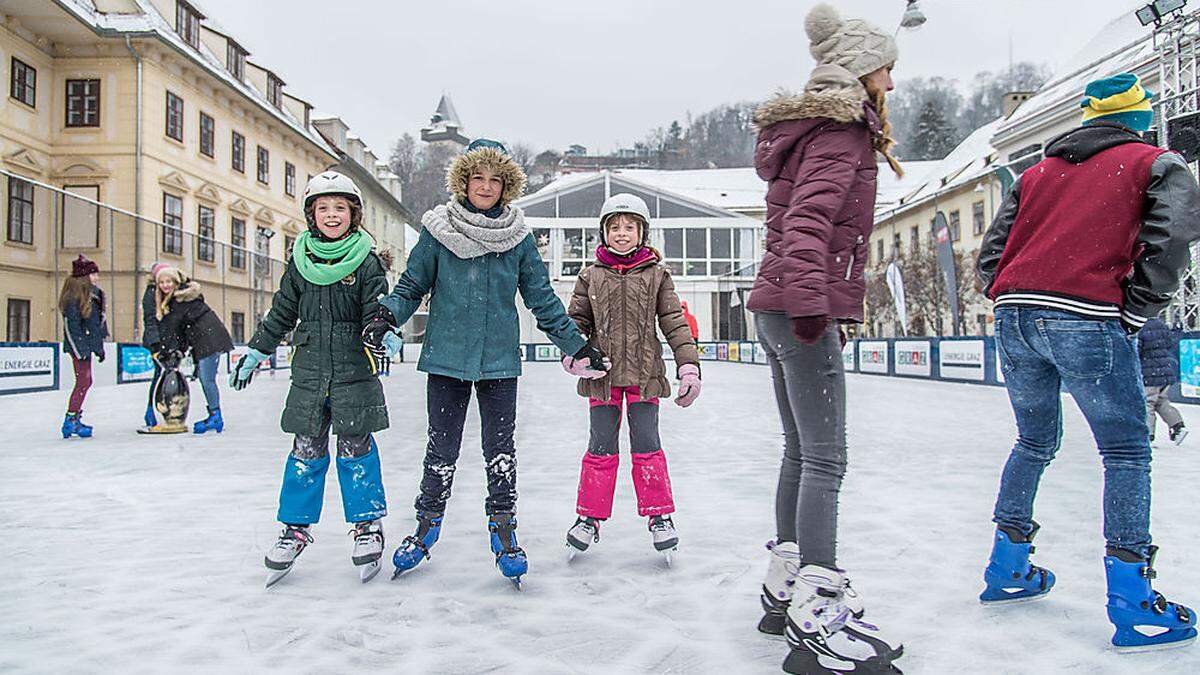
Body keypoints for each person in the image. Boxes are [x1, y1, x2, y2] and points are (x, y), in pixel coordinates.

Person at [976, 72, 1200, 651]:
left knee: (1033, 442)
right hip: (1085, 312)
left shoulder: (1035, 173)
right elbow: (1172, 238)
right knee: (1125, 451)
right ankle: (1132, 599)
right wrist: (1136, 310)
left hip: (1017, 314)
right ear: (1140, 117)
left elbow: (991, 254)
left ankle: (1008, 568)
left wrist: (1004, 293)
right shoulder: (1156, 163)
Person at [363, 139, 606, 586]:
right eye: (478, 177)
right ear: (464, 181)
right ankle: (426, 525)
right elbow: (411, 286)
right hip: (447, 359)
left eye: (496, 180)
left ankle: (504, 528)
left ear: (506, 186)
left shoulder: (518, 239)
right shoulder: (438, 232)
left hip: (498, 363)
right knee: (441, 450)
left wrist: (577, 345)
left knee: (501, 453)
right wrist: (385, 315)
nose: (486, 187)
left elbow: (542, 300)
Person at [745, 4, 905, 672]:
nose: (891, 86)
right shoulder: (841, 134)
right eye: (886, 70)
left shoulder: (811, 130)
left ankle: (786, 582)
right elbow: (809, 222)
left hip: (777, 302)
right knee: (826, 457)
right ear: (862, 70)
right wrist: (814, 304)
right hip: (799, 305)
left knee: (801, 450)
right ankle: (817, 609)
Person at [229, 171, 392, 584]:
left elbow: (376, 307)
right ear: (311, 215)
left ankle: (367, 525)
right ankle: (294, 529)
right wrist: (257, 348)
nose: (331, 215)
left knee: (356, 446)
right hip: (309, 370)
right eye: (323, 208)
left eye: (339, 207)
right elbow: (283, 311)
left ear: (353, 214)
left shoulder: (367, 261)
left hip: (354, 368)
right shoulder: (300, 261)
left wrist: (383, 330)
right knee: (305, 450)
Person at [563, 194, 701, 561]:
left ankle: (660, 517)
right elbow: (575, 322)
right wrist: (572, 354)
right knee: (601, 447)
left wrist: (688, 364)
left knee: (647, 446)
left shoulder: (657, 275)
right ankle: (589, 518)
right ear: (604, 233)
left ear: (642, 232)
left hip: (644, 376)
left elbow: (674, 322)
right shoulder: (589, 275)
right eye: (614, 227)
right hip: (602, 376)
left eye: (629, 227)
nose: (622, 234)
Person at [153, 266, 233, 434]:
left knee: (207, 379)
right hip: (208, 340)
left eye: (168, 281)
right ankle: (215, 414)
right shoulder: (181, 298)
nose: (165, 285)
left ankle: (215, 416)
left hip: (209, 340)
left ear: (175, 282)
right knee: (207, 379)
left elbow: (176, 329)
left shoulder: (181, 300)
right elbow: (181, 330)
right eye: (161, 282)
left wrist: (171, 349)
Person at [59, 255, 107, 439]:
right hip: (79, 348)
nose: (97, 278)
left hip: (85, 346)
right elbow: (72, 328)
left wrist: (98, 347)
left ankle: (73, 418)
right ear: (84, 276)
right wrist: (80, 350)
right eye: (94, 274)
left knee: (85, 382)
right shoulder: (73, 297)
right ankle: (70, 419)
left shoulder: (92, 295)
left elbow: (95, 326)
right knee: (83, 382)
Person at [1138, 317, 1187, 445]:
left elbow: (1136, 349)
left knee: (1147, 402)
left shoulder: (1140, 326)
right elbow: (1170, 343)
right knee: (1161, 401)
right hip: (1165, 371)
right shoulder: (1161, 325)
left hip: (1149, 372)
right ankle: (1177, 426)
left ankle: (1147, 434)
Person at [141, 261, 169, 428]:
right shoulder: (151, 294)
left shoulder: (166, 293)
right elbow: (150, 322)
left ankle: (166, 408)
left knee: (166, 376)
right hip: (157, 343)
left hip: (168, 341)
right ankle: (151, 409)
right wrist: (156, 345)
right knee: (159, 375)